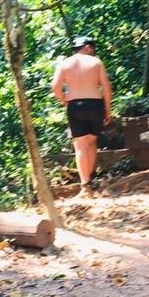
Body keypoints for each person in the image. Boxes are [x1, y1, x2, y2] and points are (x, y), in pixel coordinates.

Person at [51, 35, 113, 192]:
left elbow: (55, 86)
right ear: (86, 47)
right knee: (91, 142)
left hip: (75, 105)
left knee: (80, 146)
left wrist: (63, 100)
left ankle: (85, 184)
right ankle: (89, 179)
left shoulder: (65, 63)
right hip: (95, 105)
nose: (92, 50)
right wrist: (107, 109)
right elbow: (106, 88)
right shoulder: (96, 62)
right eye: (91, 47)